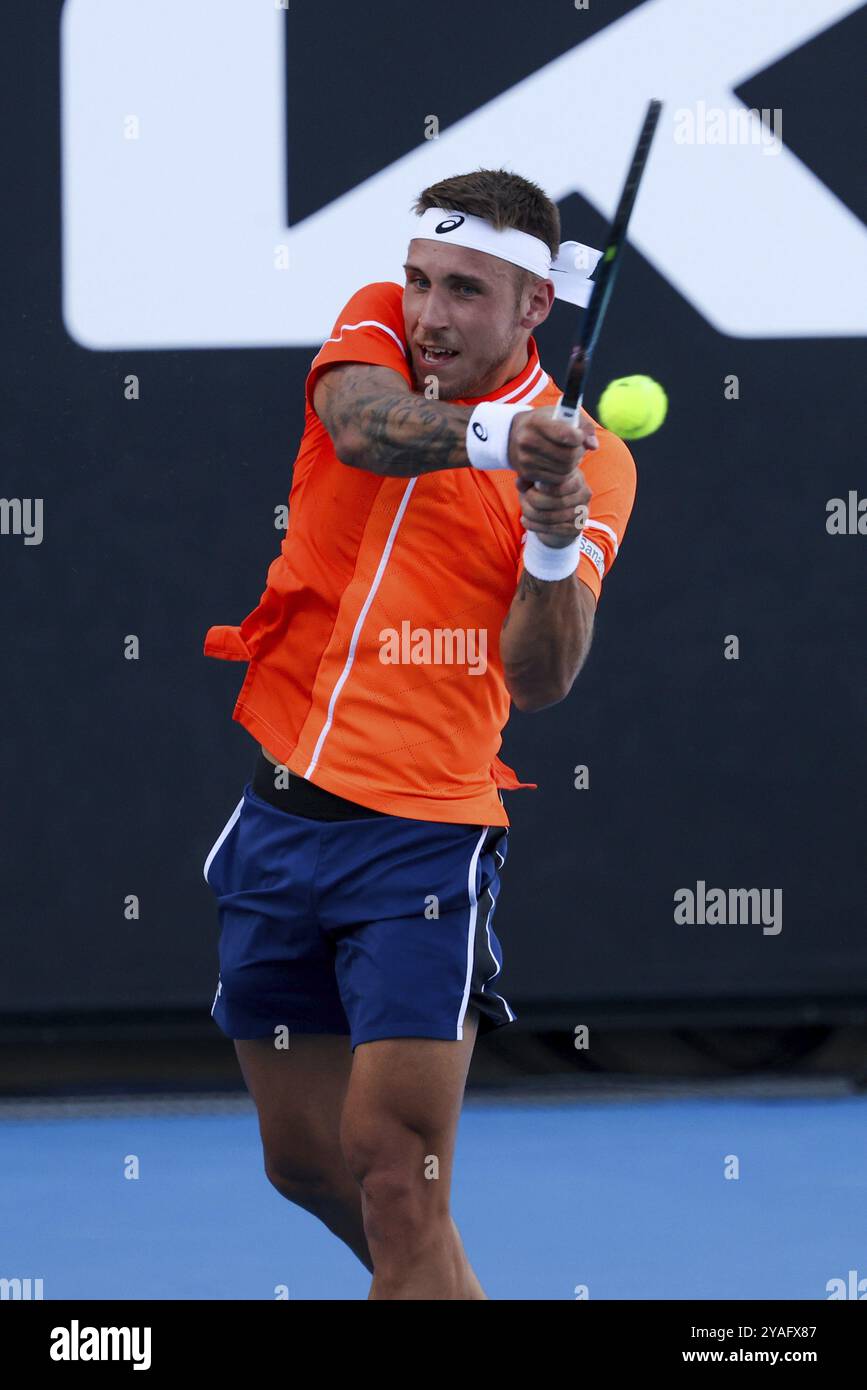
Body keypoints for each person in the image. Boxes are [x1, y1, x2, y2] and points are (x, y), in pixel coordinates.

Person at [202, 168, 636, 1299]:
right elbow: (362, 432)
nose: (429, 313)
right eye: (420, 280)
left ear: (536, 306)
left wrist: (551, 544)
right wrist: (501, 442)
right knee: (304, 1162)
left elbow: (537, 680)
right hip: (279, 815)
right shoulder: (378, 334)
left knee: (397, 1179)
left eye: (465, 292)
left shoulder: (600, 463)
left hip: (424, 848)